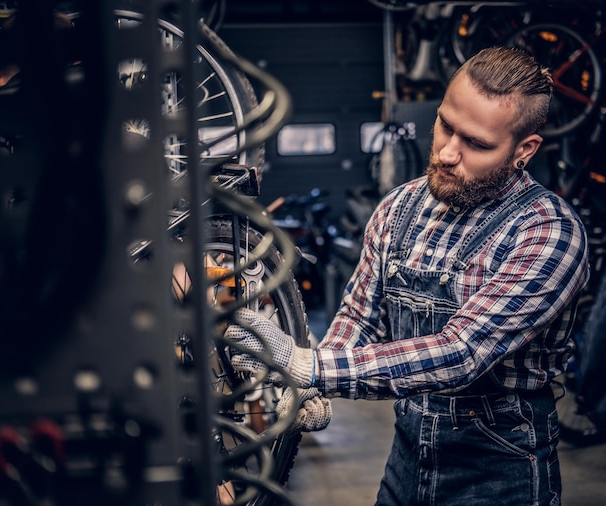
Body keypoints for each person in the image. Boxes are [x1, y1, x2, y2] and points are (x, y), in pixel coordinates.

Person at [224, 46, 589, 505]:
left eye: (475, 143)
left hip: (500, 470)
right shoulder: (398, 208)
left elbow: (461, 352)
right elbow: (361, 313)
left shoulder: (548, 232)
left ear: (524, 150)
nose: (448, 152)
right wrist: (314, 388)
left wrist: (310, 367)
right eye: (445, 126)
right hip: (407, 461)